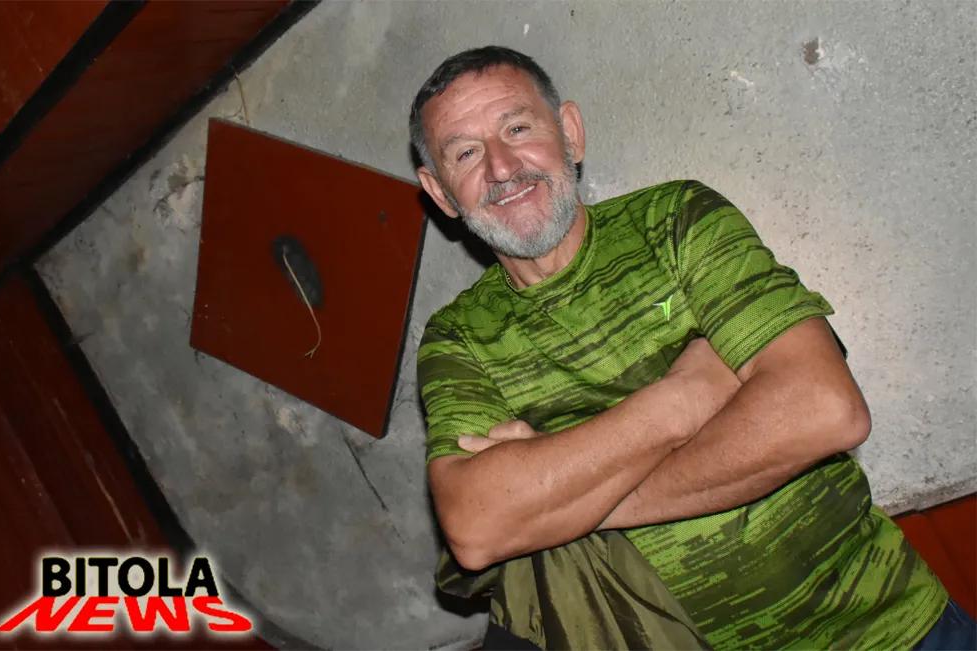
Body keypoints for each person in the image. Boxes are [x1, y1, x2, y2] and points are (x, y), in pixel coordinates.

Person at [410, 46, 972, 649]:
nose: (501, 167)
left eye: (518, 129)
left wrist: (562, 505)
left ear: (570, 133)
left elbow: (825, 409)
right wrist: (684, 396)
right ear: (441, 193)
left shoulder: (674, 220)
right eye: (465, 153)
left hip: (894, 629)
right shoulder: (458, 337)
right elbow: (477, 527)